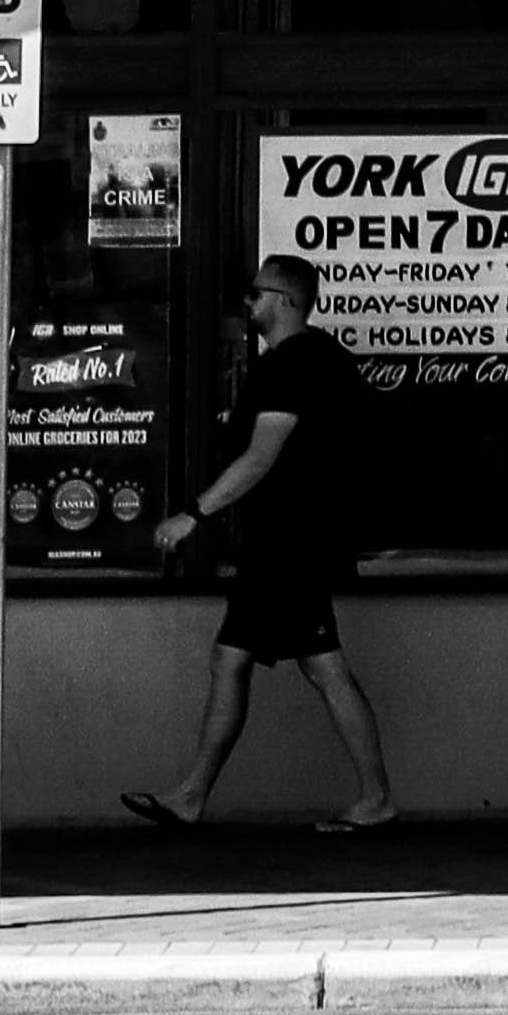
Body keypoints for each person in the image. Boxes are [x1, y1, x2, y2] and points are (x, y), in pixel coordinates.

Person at [130, 254, 395, 833]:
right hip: (298, 540)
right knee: (282, 662)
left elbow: (261, 456)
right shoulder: (324, 360)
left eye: (256, 294)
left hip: (287, 544)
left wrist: (193, 515)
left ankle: (197, 796)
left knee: (277, 663)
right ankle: (196, 794)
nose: (248, 304)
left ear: (287, 301)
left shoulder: (291, 366)